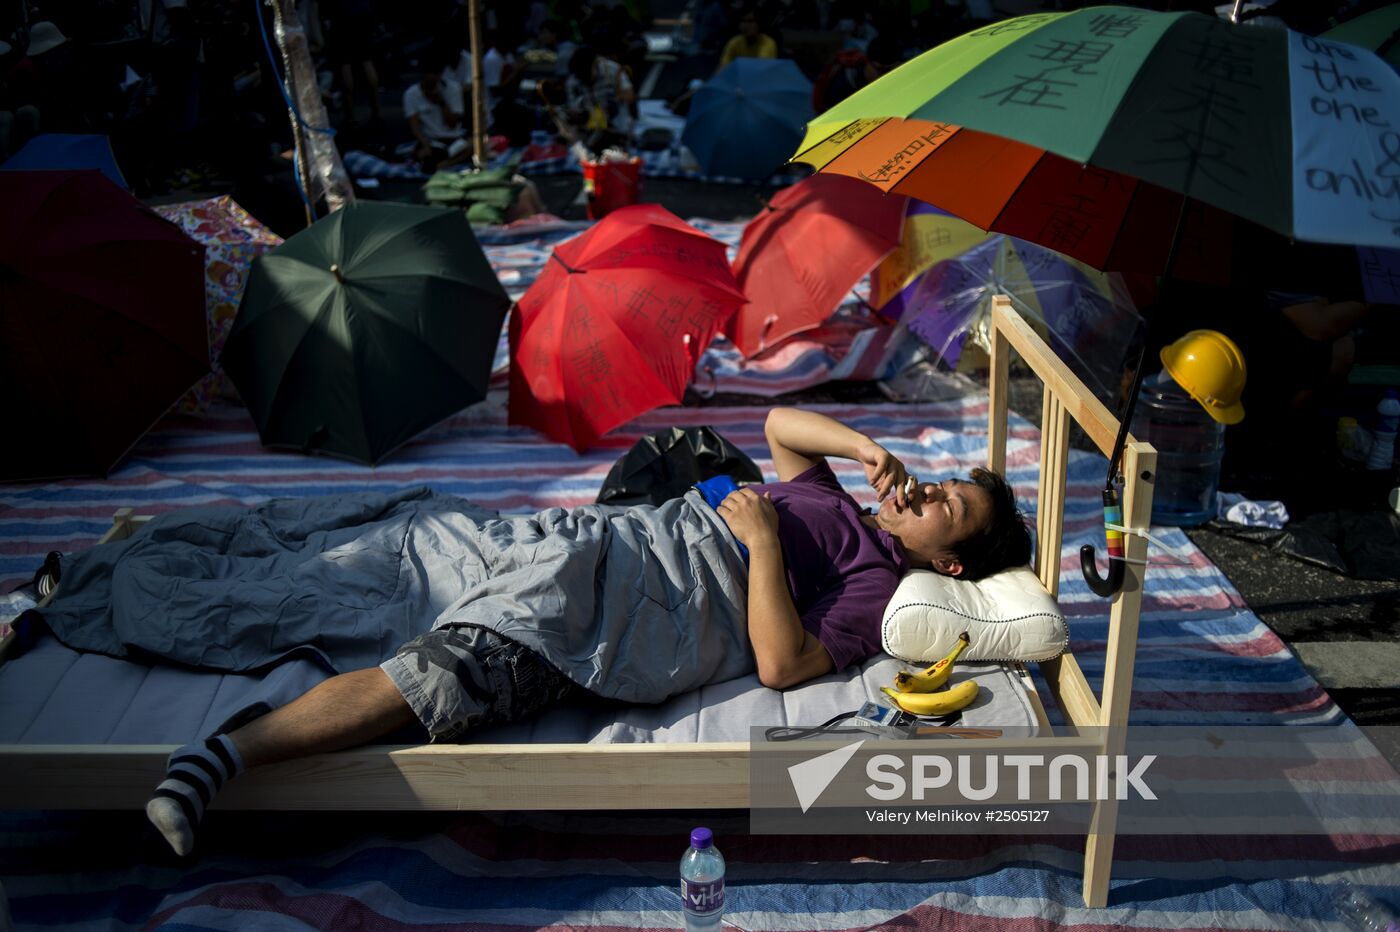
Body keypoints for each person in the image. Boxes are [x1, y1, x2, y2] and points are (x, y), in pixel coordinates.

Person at [122, 407, 1030, 855]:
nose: (934, 490)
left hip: (644, 603)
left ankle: (220, 758)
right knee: (401, 541)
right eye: (945, 481)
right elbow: (776, 425)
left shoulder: (880, 589)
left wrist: (757, 540)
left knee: (450, 669)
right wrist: (866, 450)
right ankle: (128, 574)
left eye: (951, 505)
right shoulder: (835, 493)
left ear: (951, 563)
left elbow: (783, 663)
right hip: (611, 537)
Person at [402, 57, 467, 168]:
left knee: (471, 146)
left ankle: (446, 163)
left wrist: (441, 102)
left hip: (454, 138)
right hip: (432, 141)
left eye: (436, 74)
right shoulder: (411, 94)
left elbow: (453, 124)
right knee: (427, 157)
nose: (433, 77)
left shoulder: (453, 89)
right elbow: (414, 126)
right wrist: (425, 144)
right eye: (430, 74)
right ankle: (441, 162)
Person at [717, 7, 777, 71]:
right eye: (743, 21)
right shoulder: (734, 42)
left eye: (750, 21)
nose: (745, 25)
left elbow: (760, 70)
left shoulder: (768, 43)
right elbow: (722, 67)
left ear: (758, 23)